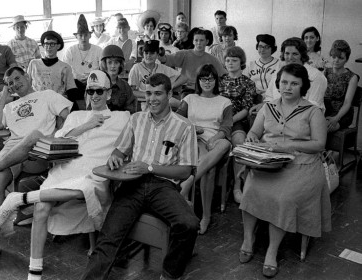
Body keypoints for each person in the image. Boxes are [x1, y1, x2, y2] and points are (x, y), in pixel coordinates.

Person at [0, 70, 130, 280]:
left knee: (85, 187)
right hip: (68, 167)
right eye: (91, 91)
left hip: (96, 171)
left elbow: (130, 143)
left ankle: (19, 199)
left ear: (108, 93)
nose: (95, 95)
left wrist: (119, 155)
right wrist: (84, 126)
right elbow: (57, 141)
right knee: (42, 208)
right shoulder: (76, 116)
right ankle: (34, 273)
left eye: (100, 91)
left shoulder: (122, 117)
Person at [80, 73, 198, 280]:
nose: (152, 99)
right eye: (149, 93)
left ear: (169, 94)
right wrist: (114, 158)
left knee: (189, 224)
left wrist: (150, 168)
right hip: (132, 184)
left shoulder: (184, 126)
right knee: (108, 239)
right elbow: (119, 151)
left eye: (158, 93)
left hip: (163, 186)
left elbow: (185, 171)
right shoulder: (136, 119)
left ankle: (170, 274)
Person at [0, 66, 72, 267]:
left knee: (33, 135)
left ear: (27, 76)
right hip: (13, 149)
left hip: (40, 147)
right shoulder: (10, 106)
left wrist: (56, 136)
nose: (15, 84)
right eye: (10, 83)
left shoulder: (46, 95)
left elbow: (69, 115)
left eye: (18, 79)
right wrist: (3, 95)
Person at [239, 63, 331, 278]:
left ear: (303, 86)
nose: (288, 87)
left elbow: (319, 144)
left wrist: (290, 146)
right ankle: (248, 239)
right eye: (284, 82)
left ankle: (272, 250)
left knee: (284, 197)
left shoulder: (312, 110)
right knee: (251, 189)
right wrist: (252, 137)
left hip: (301, 164)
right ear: (278, 84)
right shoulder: (268, 106)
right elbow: (254, 130)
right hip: (270, 162)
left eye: (294, 83)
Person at [176, 64, 232, 235]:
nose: (207, 82)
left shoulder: (224, 101)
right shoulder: (190, 99)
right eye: (203, 78)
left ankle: (186, 185)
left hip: (216, 140)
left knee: (224, 144)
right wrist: (193, 129)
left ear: (216, 80)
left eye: (211, 79)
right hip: (194, 138)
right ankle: (206, 216)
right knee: (210, 168)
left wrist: (214, 138)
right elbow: (178, 119)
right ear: (198, 81)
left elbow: (226, 127)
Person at [219, 46, 256, 204]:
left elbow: (246, 109)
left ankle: (237, 185)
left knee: (240, 143)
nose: (230, 63)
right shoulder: (220, 80)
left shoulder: (248, 83)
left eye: (234, 60)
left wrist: (229, 122)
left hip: (236, 121)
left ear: (241, 62)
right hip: (216, 120)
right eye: (228, 60)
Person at [252, 37, 327, 114]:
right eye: (287, 53)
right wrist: (263, 106)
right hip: (276, 115)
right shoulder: (279, 73)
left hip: (303, 118)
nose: (290, 58)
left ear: (302, 55)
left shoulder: (316, 76)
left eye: (295, 54)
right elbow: (270, 97)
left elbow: (313, 106)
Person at [158, 28, 226, 95]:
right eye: (196, 40)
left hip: (206, 92)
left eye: (201, 40)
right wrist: (159, 55)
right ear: (193, 41)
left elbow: (223, 75)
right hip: (187, 91)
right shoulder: (184, 54)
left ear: (207, 42)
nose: (199, 43)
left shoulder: (213, 59)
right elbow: (167, 59)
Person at [62, 14, 103, 110]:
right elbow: (65, 70)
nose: (83, 38)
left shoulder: (98, 50)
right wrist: (77, 78)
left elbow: (102, 68)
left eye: (85, 35)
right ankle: (76, 113)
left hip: (95, 82)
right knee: (70, 89)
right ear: (76, 36)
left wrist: (91, 78)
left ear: (90, 35)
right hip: (76, 83)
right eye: (80, 35)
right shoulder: (70, 51)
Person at [128, 40, 187, 105]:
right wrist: (151, 95)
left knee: (181, 105)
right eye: (146, 53)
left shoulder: (162, 68)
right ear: (143, 54)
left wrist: (172, 85)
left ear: (157, 55)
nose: (148, 56)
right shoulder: (137, 68)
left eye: (152, 53)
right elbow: (131, 91)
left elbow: (184, 77)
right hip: (143, 102)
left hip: (161, 102)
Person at [26, 31, 77, 96]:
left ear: (58, 46)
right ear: (43, 45)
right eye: (46, 44)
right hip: (37, 102)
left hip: (56, 102)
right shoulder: (33, 64)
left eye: (52, 44)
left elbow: (71, 89)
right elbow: (26, 85)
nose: (49, 47)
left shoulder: (65, 67)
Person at [324, 40, 359, 132]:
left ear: (346, 59)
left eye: (340, 58)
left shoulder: (352, 77)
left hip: (342, 114)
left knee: (322, 129)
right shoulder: (325, 72)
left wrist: (336, 118)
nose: (336, 60)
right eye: (334, 56)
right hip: (325, 111)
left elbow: (347, 103)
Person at [98, 45, 136, 113]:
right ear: (105, 64)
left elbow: (131, 109)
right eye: (109, 62)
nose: (113, 66)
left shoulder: (125, 86)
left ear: (120, 64)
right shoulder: (97, 85)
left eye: (116, 62)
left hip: (122, 121)